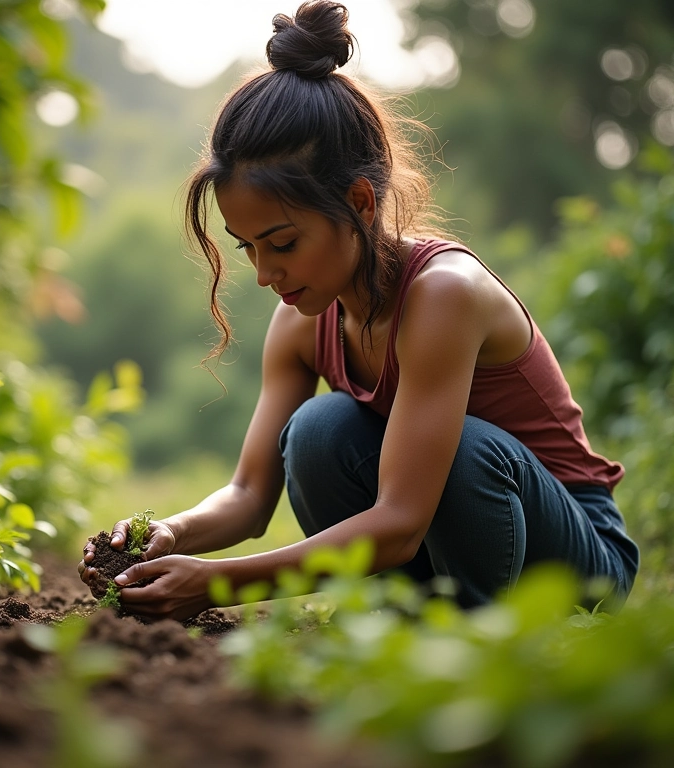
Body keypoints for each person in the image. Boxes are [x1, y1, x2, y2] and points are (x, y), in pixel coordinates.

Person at [79, 0, 639, 620]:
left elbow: (400, 521)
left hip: (578, 560)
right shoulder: (302, 318)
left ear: (360, 203)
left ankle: (487, 634)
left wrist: (219, 584)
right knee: (319, 431)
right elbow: (247, 494)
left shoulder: (443, 294)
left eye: (284, 244)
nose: (265, 275)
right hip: (440, 539)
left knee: (468, 450)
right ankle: (411, 616)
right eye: (249, 249)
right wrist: (170, 536)